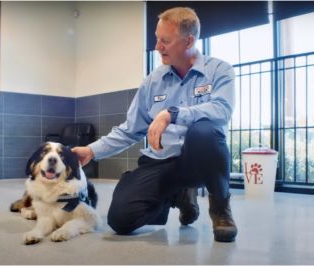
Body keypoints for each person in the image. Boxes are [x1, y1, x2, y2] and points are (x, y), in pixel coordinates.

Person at [72, 7, 237, 242]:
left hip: (199, 160)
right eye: (157, 39)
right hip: (160, 161)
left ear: (189, 40)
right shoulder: (153, 81)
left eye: (165, 41)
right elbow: (130, 129)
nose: (157, 46)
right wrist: (90, 151)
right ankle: (178, 196)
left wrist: (171, 114)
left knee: (206, 130)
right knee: (120, 220)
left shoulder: (219, 70)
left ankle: (221, 209)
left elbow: (221, 110)